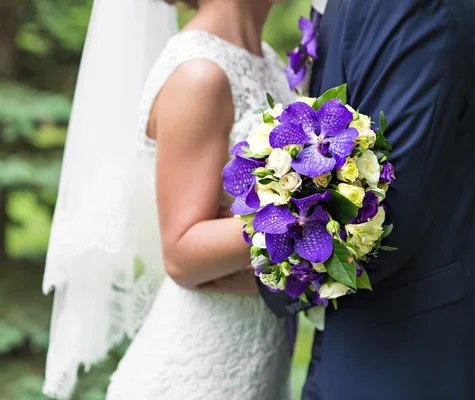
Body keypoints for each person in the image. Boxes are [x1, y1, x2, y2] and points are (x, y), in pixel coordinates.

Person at [259, 0, 475, 399]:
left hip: (413, 351)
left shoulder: (402, 7)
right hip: (371, 344)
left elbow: (383, 216)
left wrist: (267, 259)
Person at [42, 0, 294, 399]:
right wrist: (311, 212)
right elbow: (182, 252)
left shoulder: (269, 61)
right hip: (197, 374)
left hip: (258, 360)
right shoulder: (199, 73)